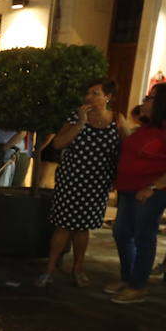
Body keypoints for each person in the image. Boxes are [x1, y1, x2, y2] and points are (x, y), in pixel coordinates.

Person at [105, 83, 166, 303]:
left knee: (144, 236)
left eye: (150, 98)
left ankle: (138, 285)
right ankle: (129, 278)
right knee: (122, 233)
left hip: (151, 192)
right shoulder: (149, 127)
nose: (144, 101)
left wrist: (153, 187)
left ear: (163, 102)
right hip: (129, 189)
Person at [37, 77, 121, 288]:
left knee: (83, 228)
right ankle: (50, 268)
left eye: (95, 93)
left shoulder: (117, 120)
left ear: (107, 97)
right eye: (89, 92)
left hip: (97, 182)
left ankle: (78, 268)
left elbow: (123, 151)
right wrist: (82, 122)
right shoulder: (76, 117)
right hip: (71, 180)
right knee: (63, 225)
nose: (89, 97)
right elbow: (58, 143)